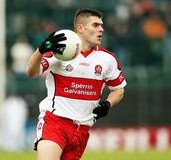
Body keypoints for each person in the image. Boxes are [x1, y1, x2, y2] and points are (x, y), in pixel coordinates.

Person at [26, 8, 127, 160]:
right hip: (55, 121)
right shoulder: (60, 50)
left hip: (82, 129)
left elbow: (118, 90)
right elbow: (31, 72)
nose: (101, 29)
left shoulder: (108, 59)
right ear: (80, 28)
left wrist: (107, 104)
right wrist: (40, 50)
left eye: (101, 25)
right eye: (96, 25)